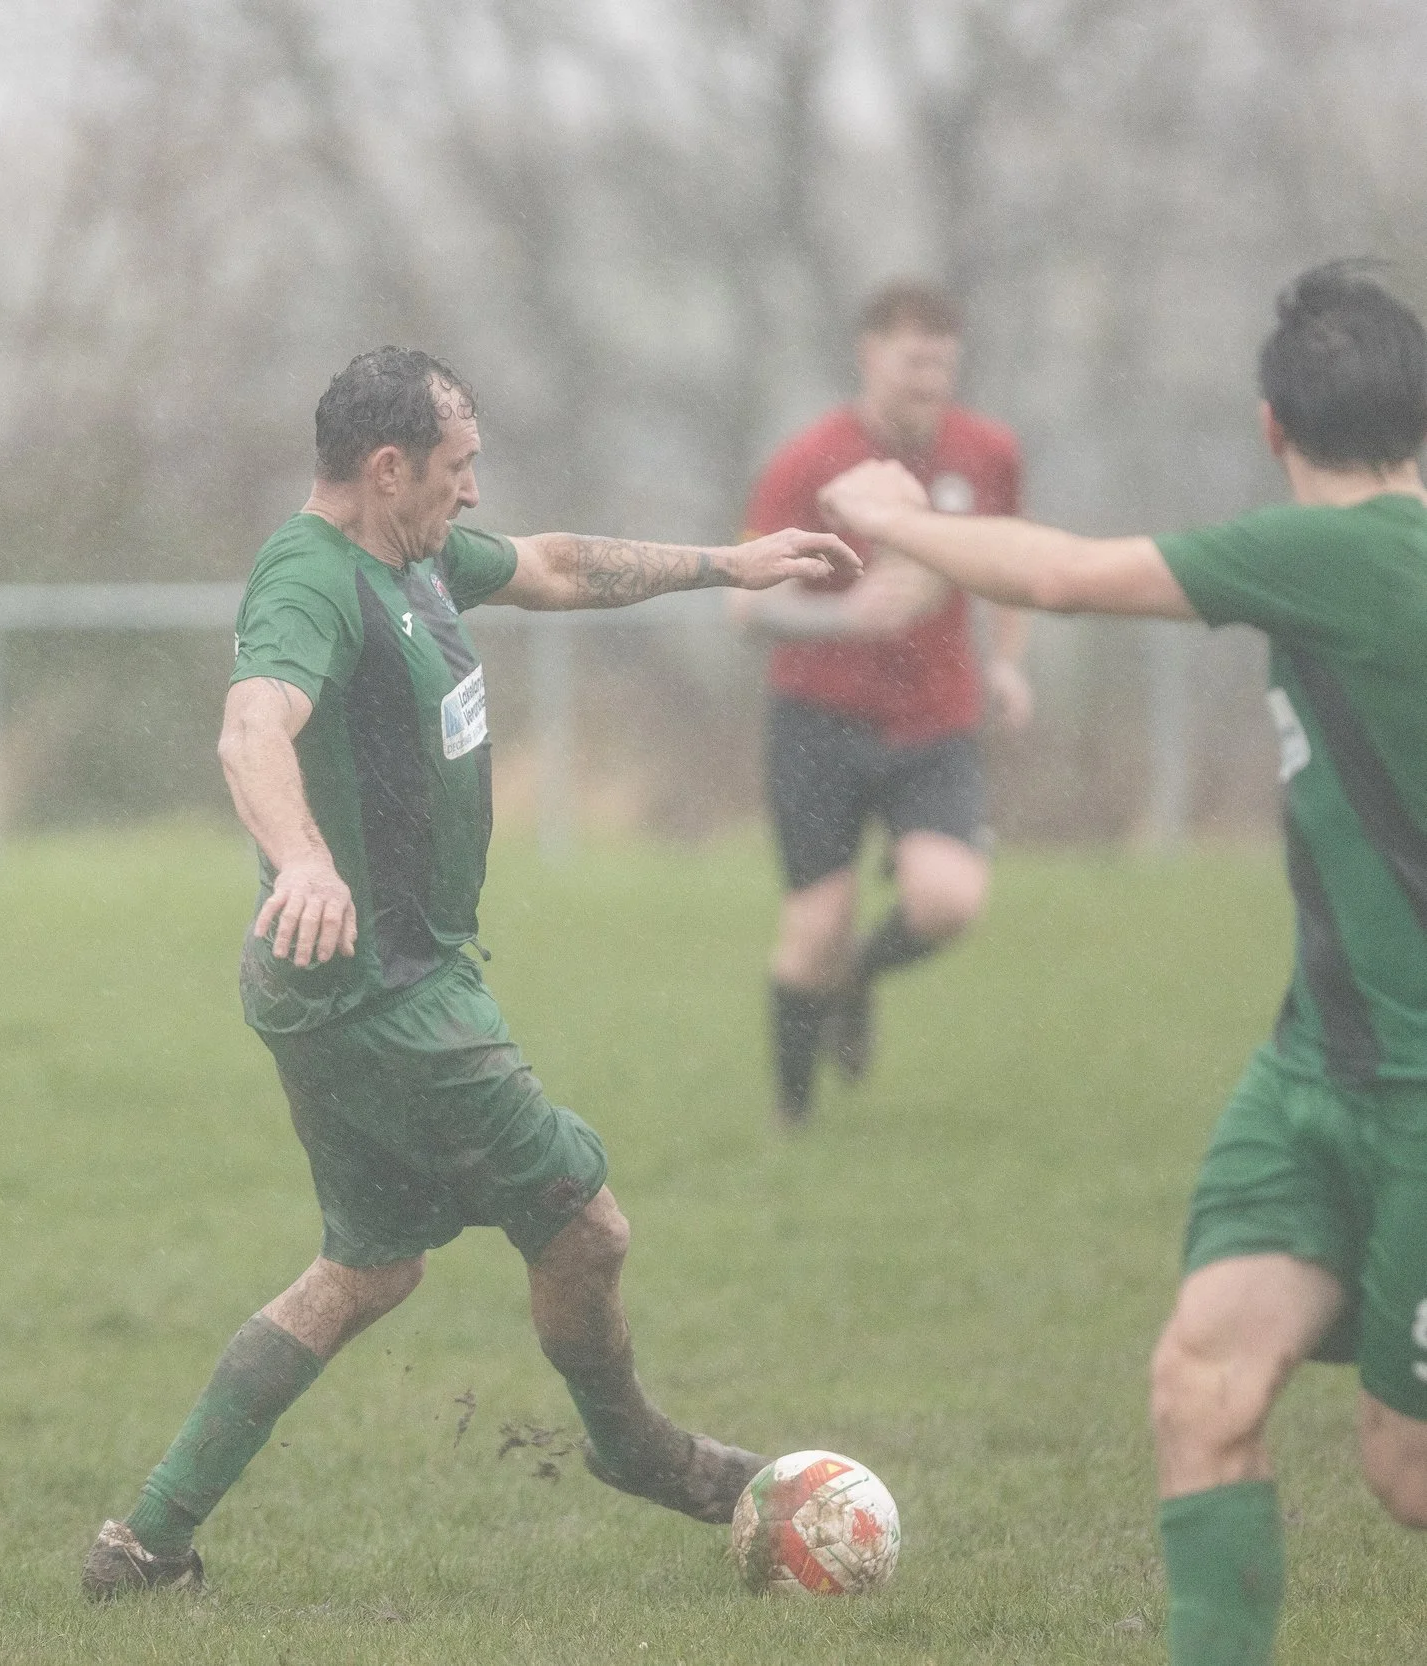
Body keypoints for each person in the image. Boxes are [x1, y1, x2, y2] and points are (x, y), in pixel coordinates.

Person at [81, 347, 862, 1598]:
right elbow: (249, 723)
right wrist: (301, 863)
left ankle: (147, 1543)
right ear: (386, 468)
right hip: (384, 991)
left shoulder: (416, 552)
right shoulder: (312, 579)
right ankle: (635, 1448)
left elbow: (554, 563)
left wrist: (730, 562)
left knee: (366, 1269)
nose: (474, 492)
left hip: (351, 984)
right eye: (459, 468)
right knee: (586, 1227)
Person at [817, 261, 1427, 1666]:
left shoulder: (1346, 554)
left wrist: (900, 514)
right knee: (1203, 1381)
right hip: (1310, 1073)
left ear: (1272, 426)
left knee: (1405, 1475)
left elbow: (1065, 576)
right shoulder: (1355, 565)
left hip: (1414, 1093)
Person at [727, 282, 1032, 1128]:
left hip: (936, 720)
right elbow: (745, 608)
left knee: (948, 901)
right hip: (818, 720)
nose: (929, 377)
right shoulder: (807, 460)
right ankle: (794, 1121)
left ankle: (861, 978)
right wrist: (843, 617)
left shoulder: (988, 453)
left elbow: (1014, 565)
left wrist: (1008, 666)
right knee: (815, 928)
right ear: (870, 355)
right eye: (912, 359)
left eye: (943, 360)